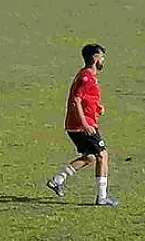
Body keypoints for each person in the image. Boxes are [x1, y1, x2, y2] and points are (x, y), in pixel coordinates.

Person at [46, 44, 119, 206]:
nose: (103, 60)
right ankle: (102, 197)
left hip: (76, 124)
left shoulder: (87, 75)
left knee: (90, 157)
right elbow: (76, 100)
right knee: (102, 155)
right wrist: (85, 123)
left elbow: (86, 98)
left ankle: (57, 180)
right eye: (101, 56)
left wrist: (97, 108)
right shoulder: (86, 77)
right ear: (94, 58)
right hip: (81, 125)